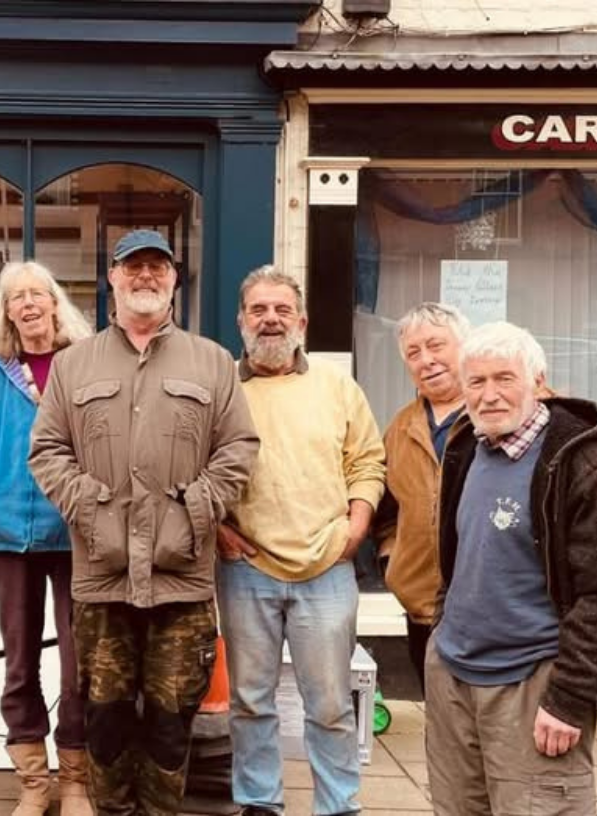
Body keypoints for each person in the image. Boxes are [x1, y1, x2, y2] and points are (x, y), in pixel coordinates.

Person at [30, 230, 259, 815]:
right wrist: (92, 510)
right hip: (101, 580)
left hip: (181, 582)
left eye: (158, 266)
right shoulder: (73, 365)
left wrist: (194, 512)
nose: (145, 276)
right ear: (112, 277)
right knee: (104, 721)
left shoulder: (212, 362)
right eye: (133, 266)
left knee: (170, 723)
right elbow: (47, 451)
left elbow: (238, 449)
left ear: (175, 279)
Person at [216, 265, 385, 816]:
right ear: (241, 320)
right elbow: (193, 466)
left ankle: (337, 806)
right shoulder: (222, 388)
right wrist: (216, 528)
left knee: (331, 703)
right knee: (249, 701)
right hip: (246, 567)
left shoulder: (337, 387)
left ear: (302, 322)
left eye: (282, 309)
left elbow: (367, 462)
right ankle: (259, 802)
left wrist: (357, 526)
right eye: (259, 309)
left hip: (328, 566)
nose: (271, 319)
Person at [426, 321, 596, 815]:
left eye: (505, 378)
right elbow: (459, 559)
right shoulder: (466, 447)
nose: (489, 395)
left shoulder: (578, 461)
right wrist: (440, 634)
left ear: (539, 382)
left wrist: (569, 698)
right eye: (476, 382)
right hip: (455, 677)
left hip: (533, 682)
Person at [0, 261, 93, 816]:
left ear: (56, 303)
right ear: (7, 311)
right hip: (9, 535)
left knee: (79, 663)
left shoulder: (83, 366)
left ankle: (76, 782)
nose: (29, 303)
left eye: (39, 293)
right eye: (17, 296)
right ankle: (34, 783)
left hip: (76, 535)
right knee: (19, 662)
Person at [374, 303, 469, 692]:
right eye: (414, 352)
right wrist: (392, 561)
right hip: (423, 612)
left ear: (465, 346)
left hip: (494, 615)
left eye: (436, 345)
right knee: (440, 717)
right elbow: (387, 513)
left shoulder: (497, 416)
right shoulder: (400, 429)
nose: (426, 360)